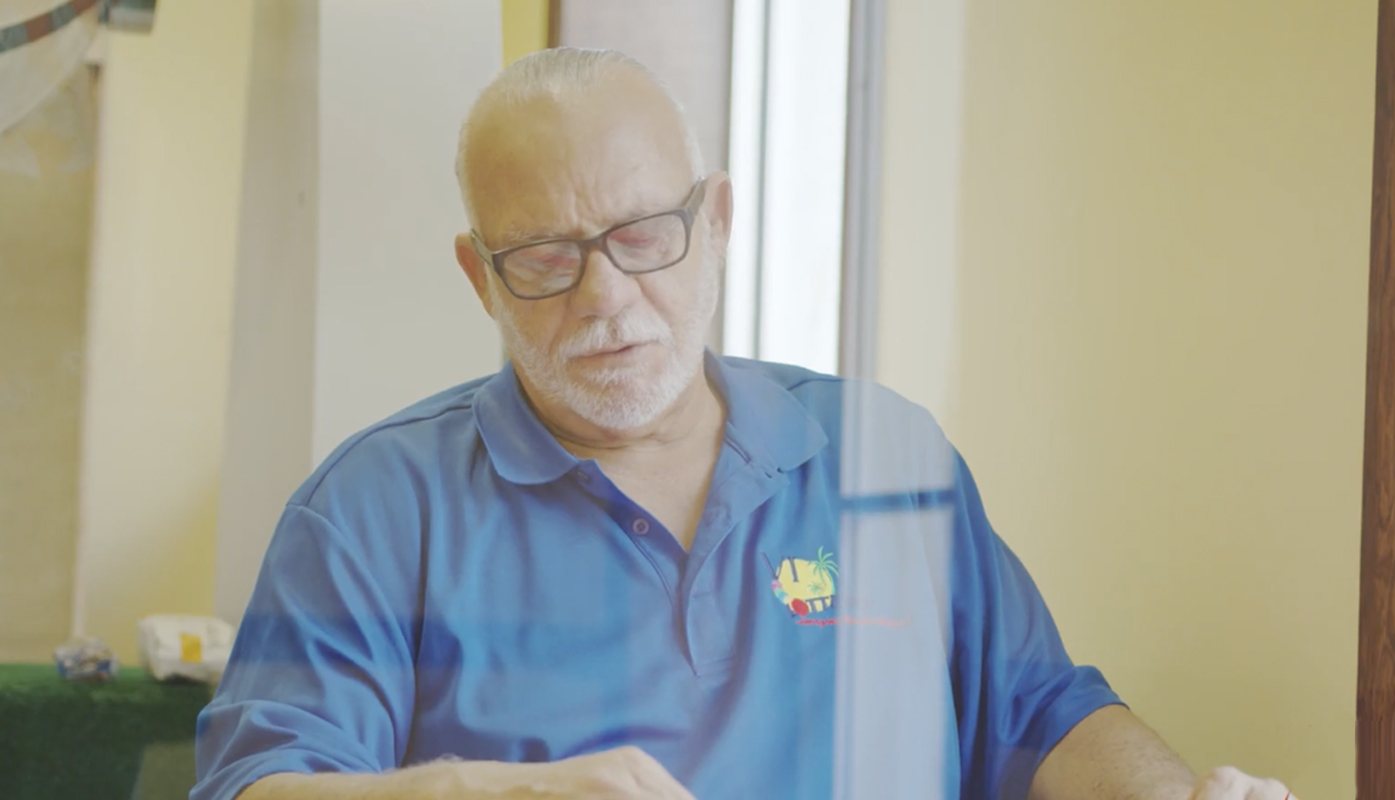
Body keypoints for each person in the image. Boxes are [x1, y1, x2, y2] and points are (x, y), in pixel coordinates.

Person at [193, 48, 1296, 800]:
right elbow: (256, 785)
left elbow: (1040, 709)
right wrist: (497, 788)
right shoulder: (373, 512)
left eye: (641, 236)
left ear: (715, 222)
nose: (605, 298)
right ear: (478, 276)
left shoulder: (881, 460)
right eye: (541, 257)